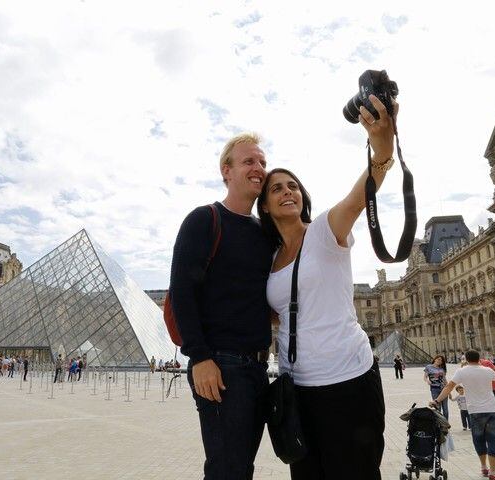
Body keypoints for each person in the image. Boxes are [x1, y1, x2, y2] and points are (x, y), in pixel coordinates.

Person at [257, 93, 397, 479]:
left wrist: (382, 143)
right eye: (277, 189)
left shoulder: (324, 230)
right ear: (265, 207)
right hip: (295, 388)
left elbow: (362, 193)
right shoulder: (268, 260)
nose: (287, 191)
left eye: (293, 186)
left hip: (346, 379)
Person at [170, 132, 274, 479]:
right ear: (226, 171)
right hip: (221, 366)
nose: (259, 168)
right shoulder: (204, 220)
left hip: (259, 368)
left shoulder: (265, 233)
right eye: (249, 161)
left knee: (241, 468)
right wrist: (199, 357)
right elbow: (182, 292)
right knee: (226, 470)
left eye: (262, 162)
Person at [431, 349, 495, 480]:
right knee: (493, 440)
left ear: (466, 359)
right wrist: (492, 368)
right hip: (492, 409)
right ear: (479, 358)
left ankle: (483, 467)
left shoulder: (462, 371)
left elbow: (449, 387)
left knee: (478, 440)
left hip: (475, 411)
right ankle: (493, 472)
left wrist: (437, 400)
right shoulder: (487, 370)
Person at [479, 357, 495, 436]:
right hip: (493, 389)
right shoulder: (486, 363)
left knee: (485, 410)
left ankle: (491, 429)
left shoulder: (470, 366)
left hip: (484, 390)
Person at [424, 355, 449, 419]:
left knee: (445, 408)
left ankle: (445, 424)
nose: (439, 361)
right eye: (438, 359)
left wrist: (449, 391)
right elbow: (425, 377)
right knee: (438, 408)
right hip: (434, 389)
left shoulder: (442, 369)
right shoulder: (428, 367)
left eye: (441, 360)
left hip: (443, 389)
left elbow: (445, 380)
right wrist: (427, 381)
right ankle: (439, 424)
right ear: (435, 359)